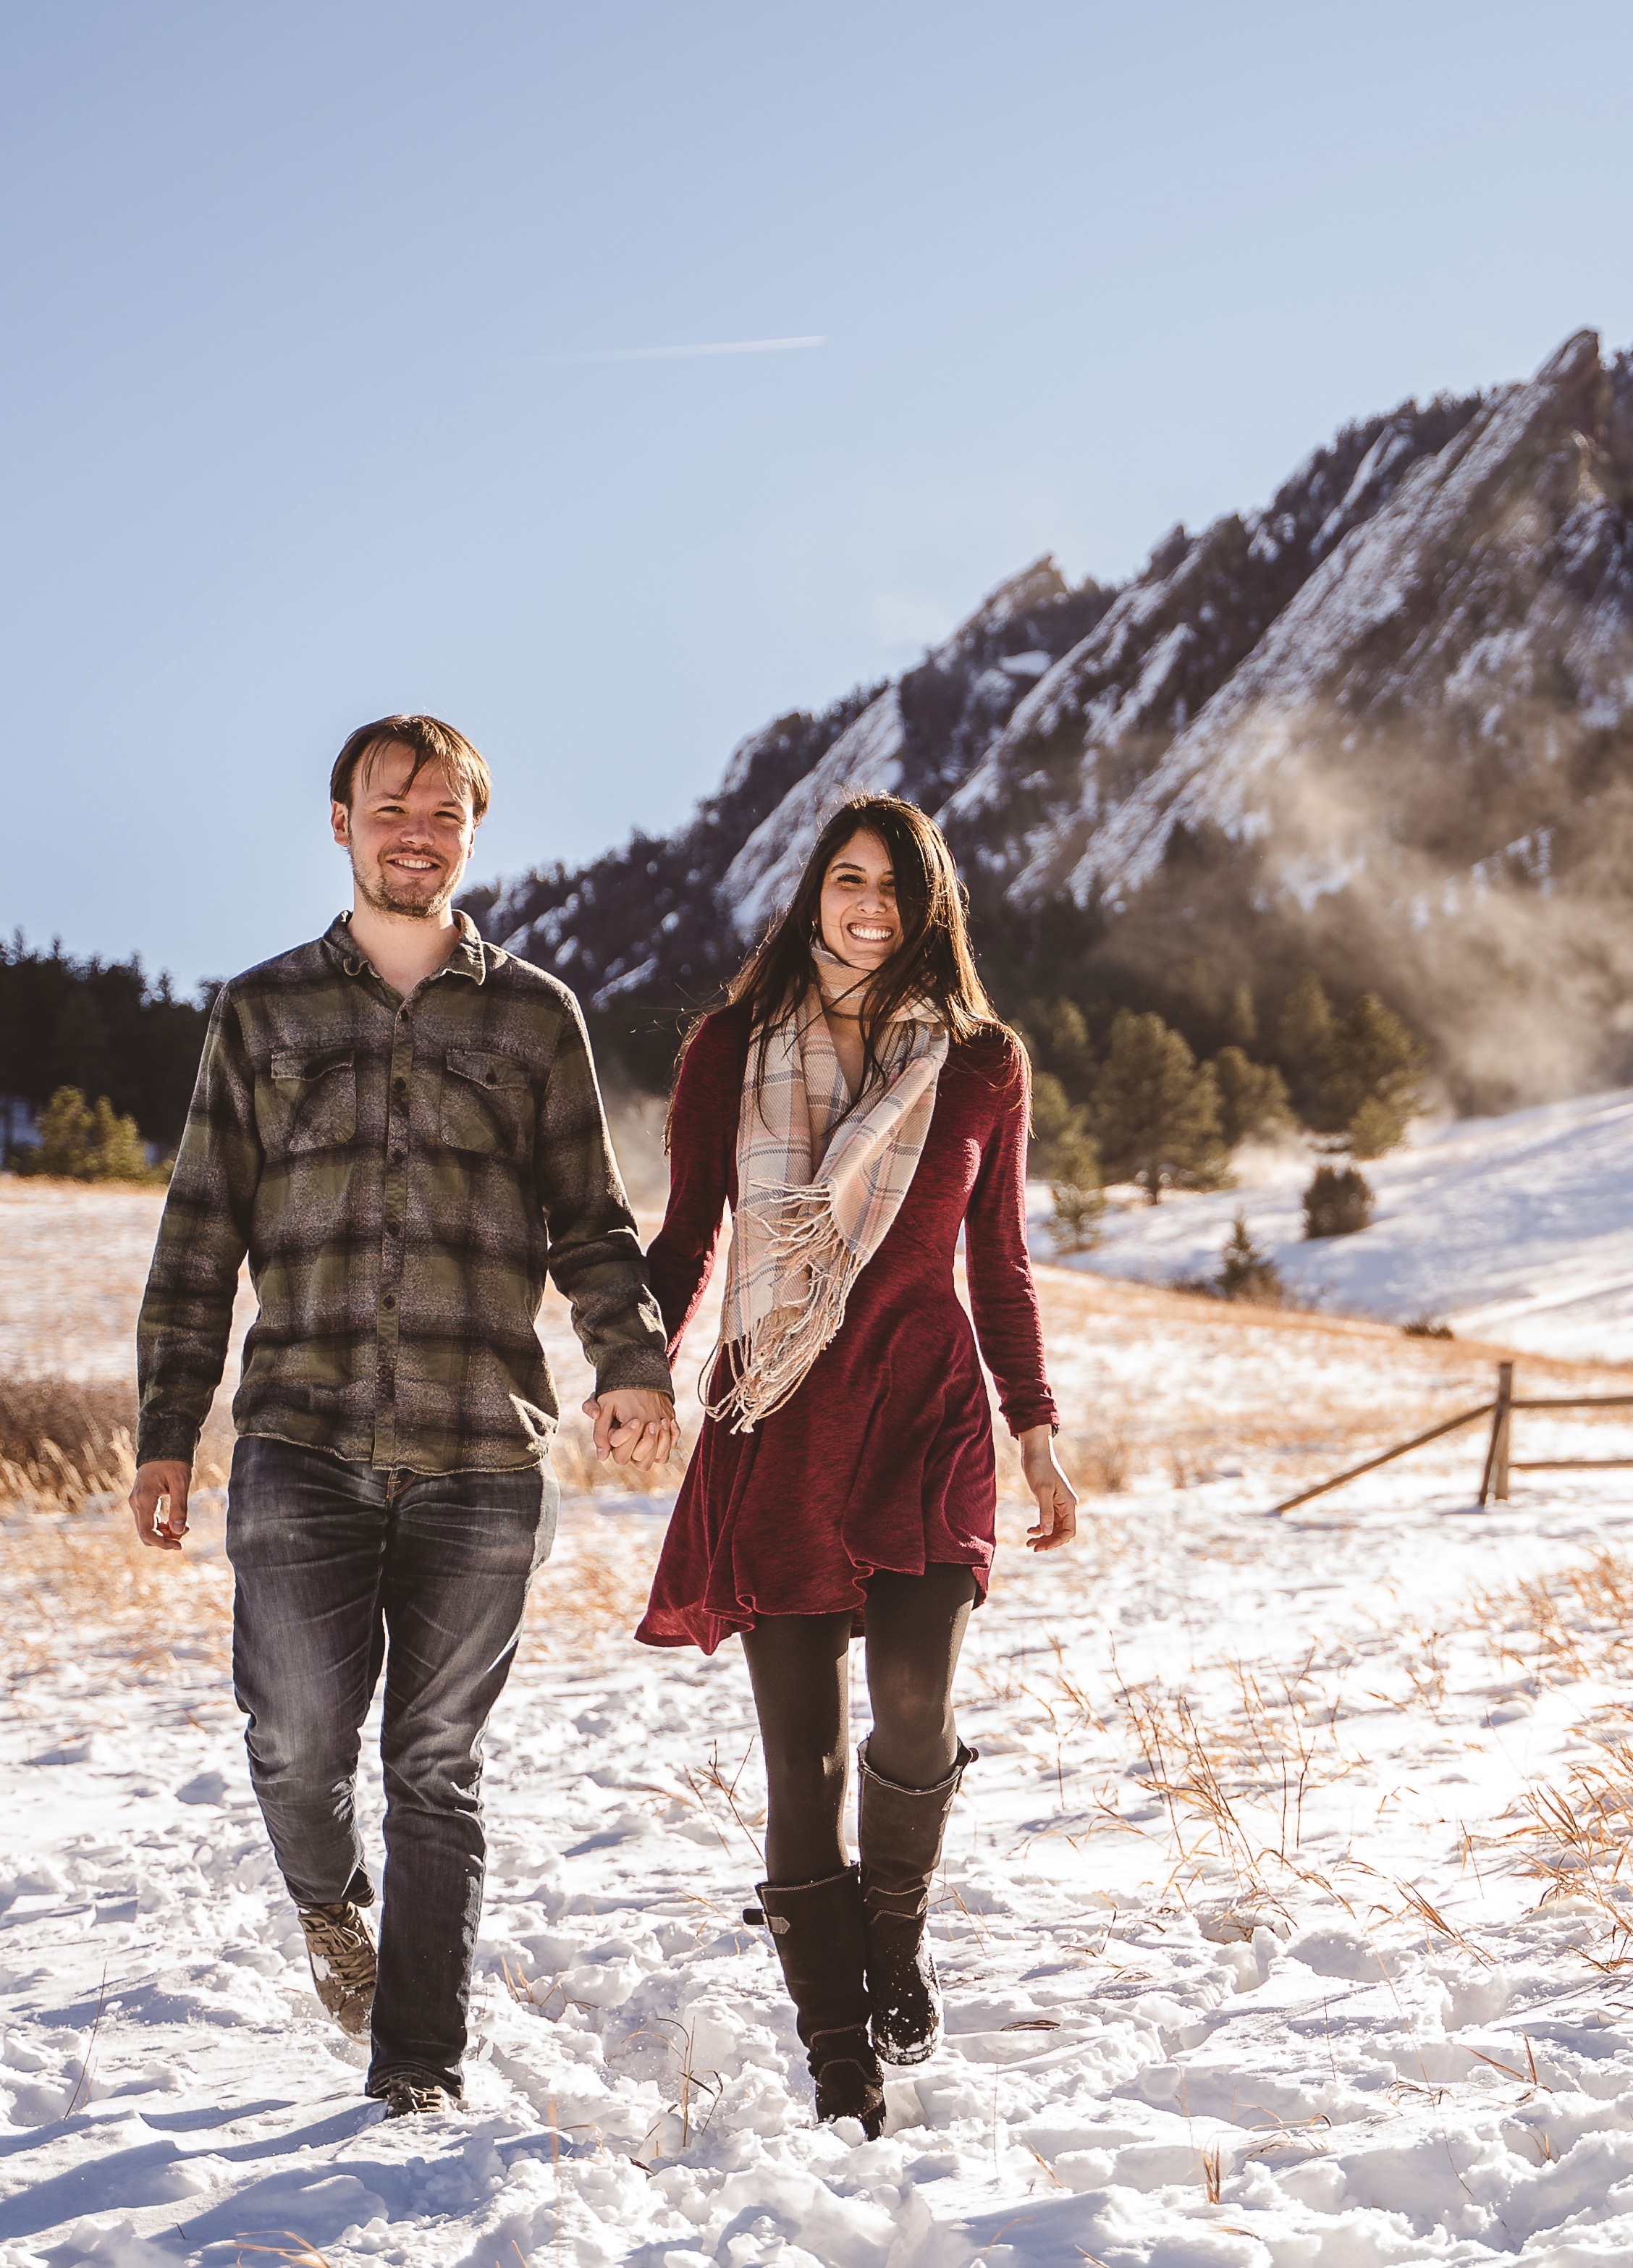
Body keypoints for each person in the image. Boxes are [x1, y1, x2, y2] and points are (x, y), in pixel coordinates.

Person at [134, 714, 680, 2115]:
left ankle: (416, 2066)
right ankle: (329, 1906)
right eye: (392, 808)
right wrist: (165, 1431)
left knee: (436, 1765)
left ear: (472, 834)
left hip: (482, 1449)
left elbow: (592, 1220)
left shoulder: (535, 1016)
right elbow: (200, 1234)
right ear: (342, 822)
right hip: (299, 1439)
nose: (416, 835)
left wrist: (630, 1361)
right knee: (294, 1740)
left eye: (444, 814)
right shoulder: (260, 1013)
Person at [636, 791, 1076, 2138]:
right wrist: (637, 1365)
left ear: (928, 906)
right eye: (848, 878)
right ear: (812, 890)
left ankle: (892, 1937)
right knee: (804, 1769)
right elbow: (691, 1234)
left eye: (894, 885)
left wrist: (1037, 1432)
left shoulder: (980, 1061)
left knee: (915, 1710)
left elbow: (1000, 1260)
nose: (869, 905)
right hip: (779, 1416)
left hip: (925, 1413)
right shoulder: (730, 1047)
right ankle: (841, 2062)